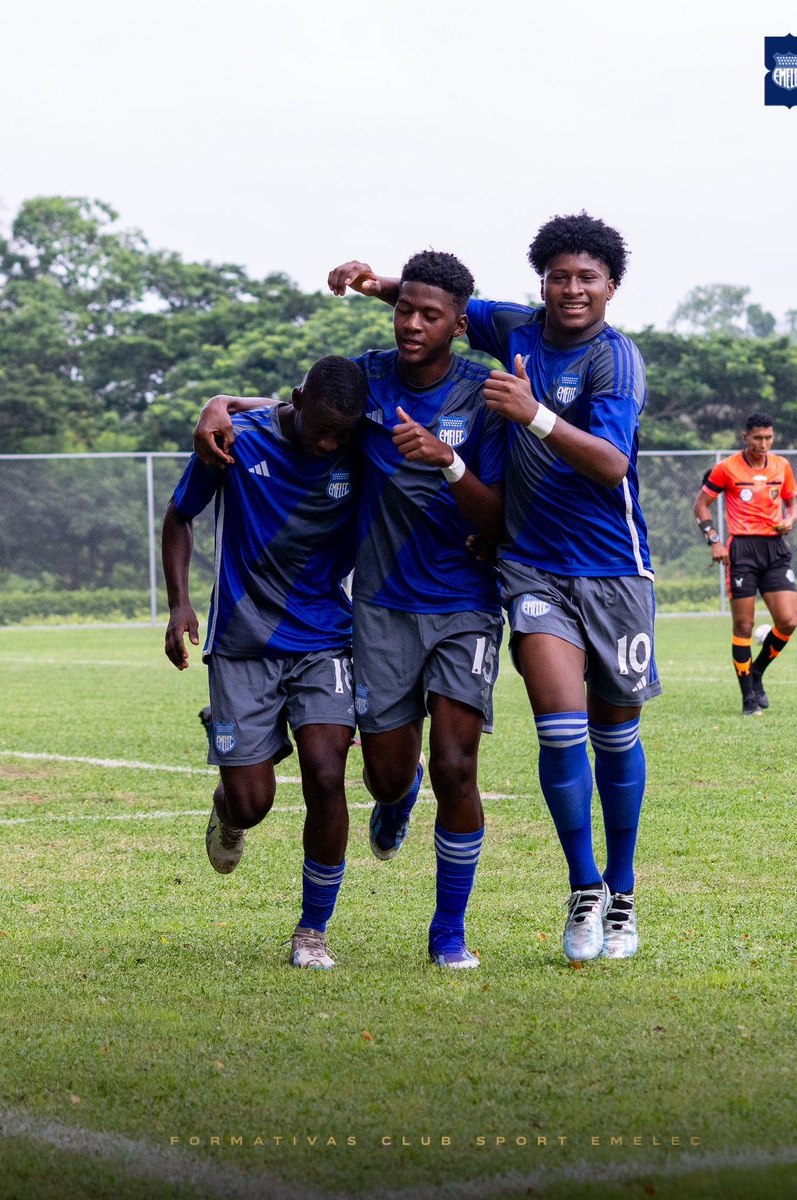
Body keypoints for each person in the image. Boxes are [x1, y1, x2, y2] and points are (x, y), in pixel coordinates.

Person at [328, 211, 658, 964]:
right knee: (560, 727)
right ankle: (583, 888)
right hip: (531, 565)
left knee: (616, 737)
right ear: (541, 280)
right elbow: (434, 310)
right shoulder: (514, 326)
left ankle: (624, 887)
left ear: (612, 287)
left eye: (588, 277)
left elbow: (610, 463)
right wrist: (373, 281)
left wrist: (533, 414)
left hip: (615, 569)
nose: (572, 289)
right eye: (559, 275)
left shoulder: (617, 360)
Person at [198, 251, 507, 970]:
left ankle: (448, 933)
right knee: (386, 777)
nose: (412, 324)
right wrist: (220, 404)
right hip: (380, 611)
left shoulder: (482, 393)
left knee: (457, 766)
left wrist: (447, 461)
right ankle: (396, 799)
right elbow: (297, 410)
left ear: (460, 325)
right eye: (405, 310)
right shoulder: (366, 380)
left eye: (430, 315)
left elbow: (497, 521)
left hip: (464, 602)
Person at [162, 355, 367, 969]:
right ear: (298, 401)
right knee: (252, 803)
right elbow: (179, 516)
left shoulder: (359, 444)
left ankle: (312, 931)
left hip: (326, 639)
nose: (330, 443)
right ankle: (228, 806)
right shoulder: (234, 442)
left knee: (328, 777)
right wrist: (178, 606)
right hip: (242, 646)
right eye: (321, 429)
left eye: (342, 434)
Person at [692, 413, 797, 716]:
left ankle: (756, 672)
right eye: (757, 438)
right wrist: (713, 538)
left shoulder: (782, 466)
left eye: (768, 438)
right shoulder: (726, 468)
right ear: (745, 437)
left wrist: (790, 520)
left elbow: (792, 504)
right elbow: (701, 505)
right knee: (744, 625)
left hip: (775, 549)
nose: (763, 444)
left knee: (788, 621)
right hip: (743, 549)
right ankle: (748, 699)